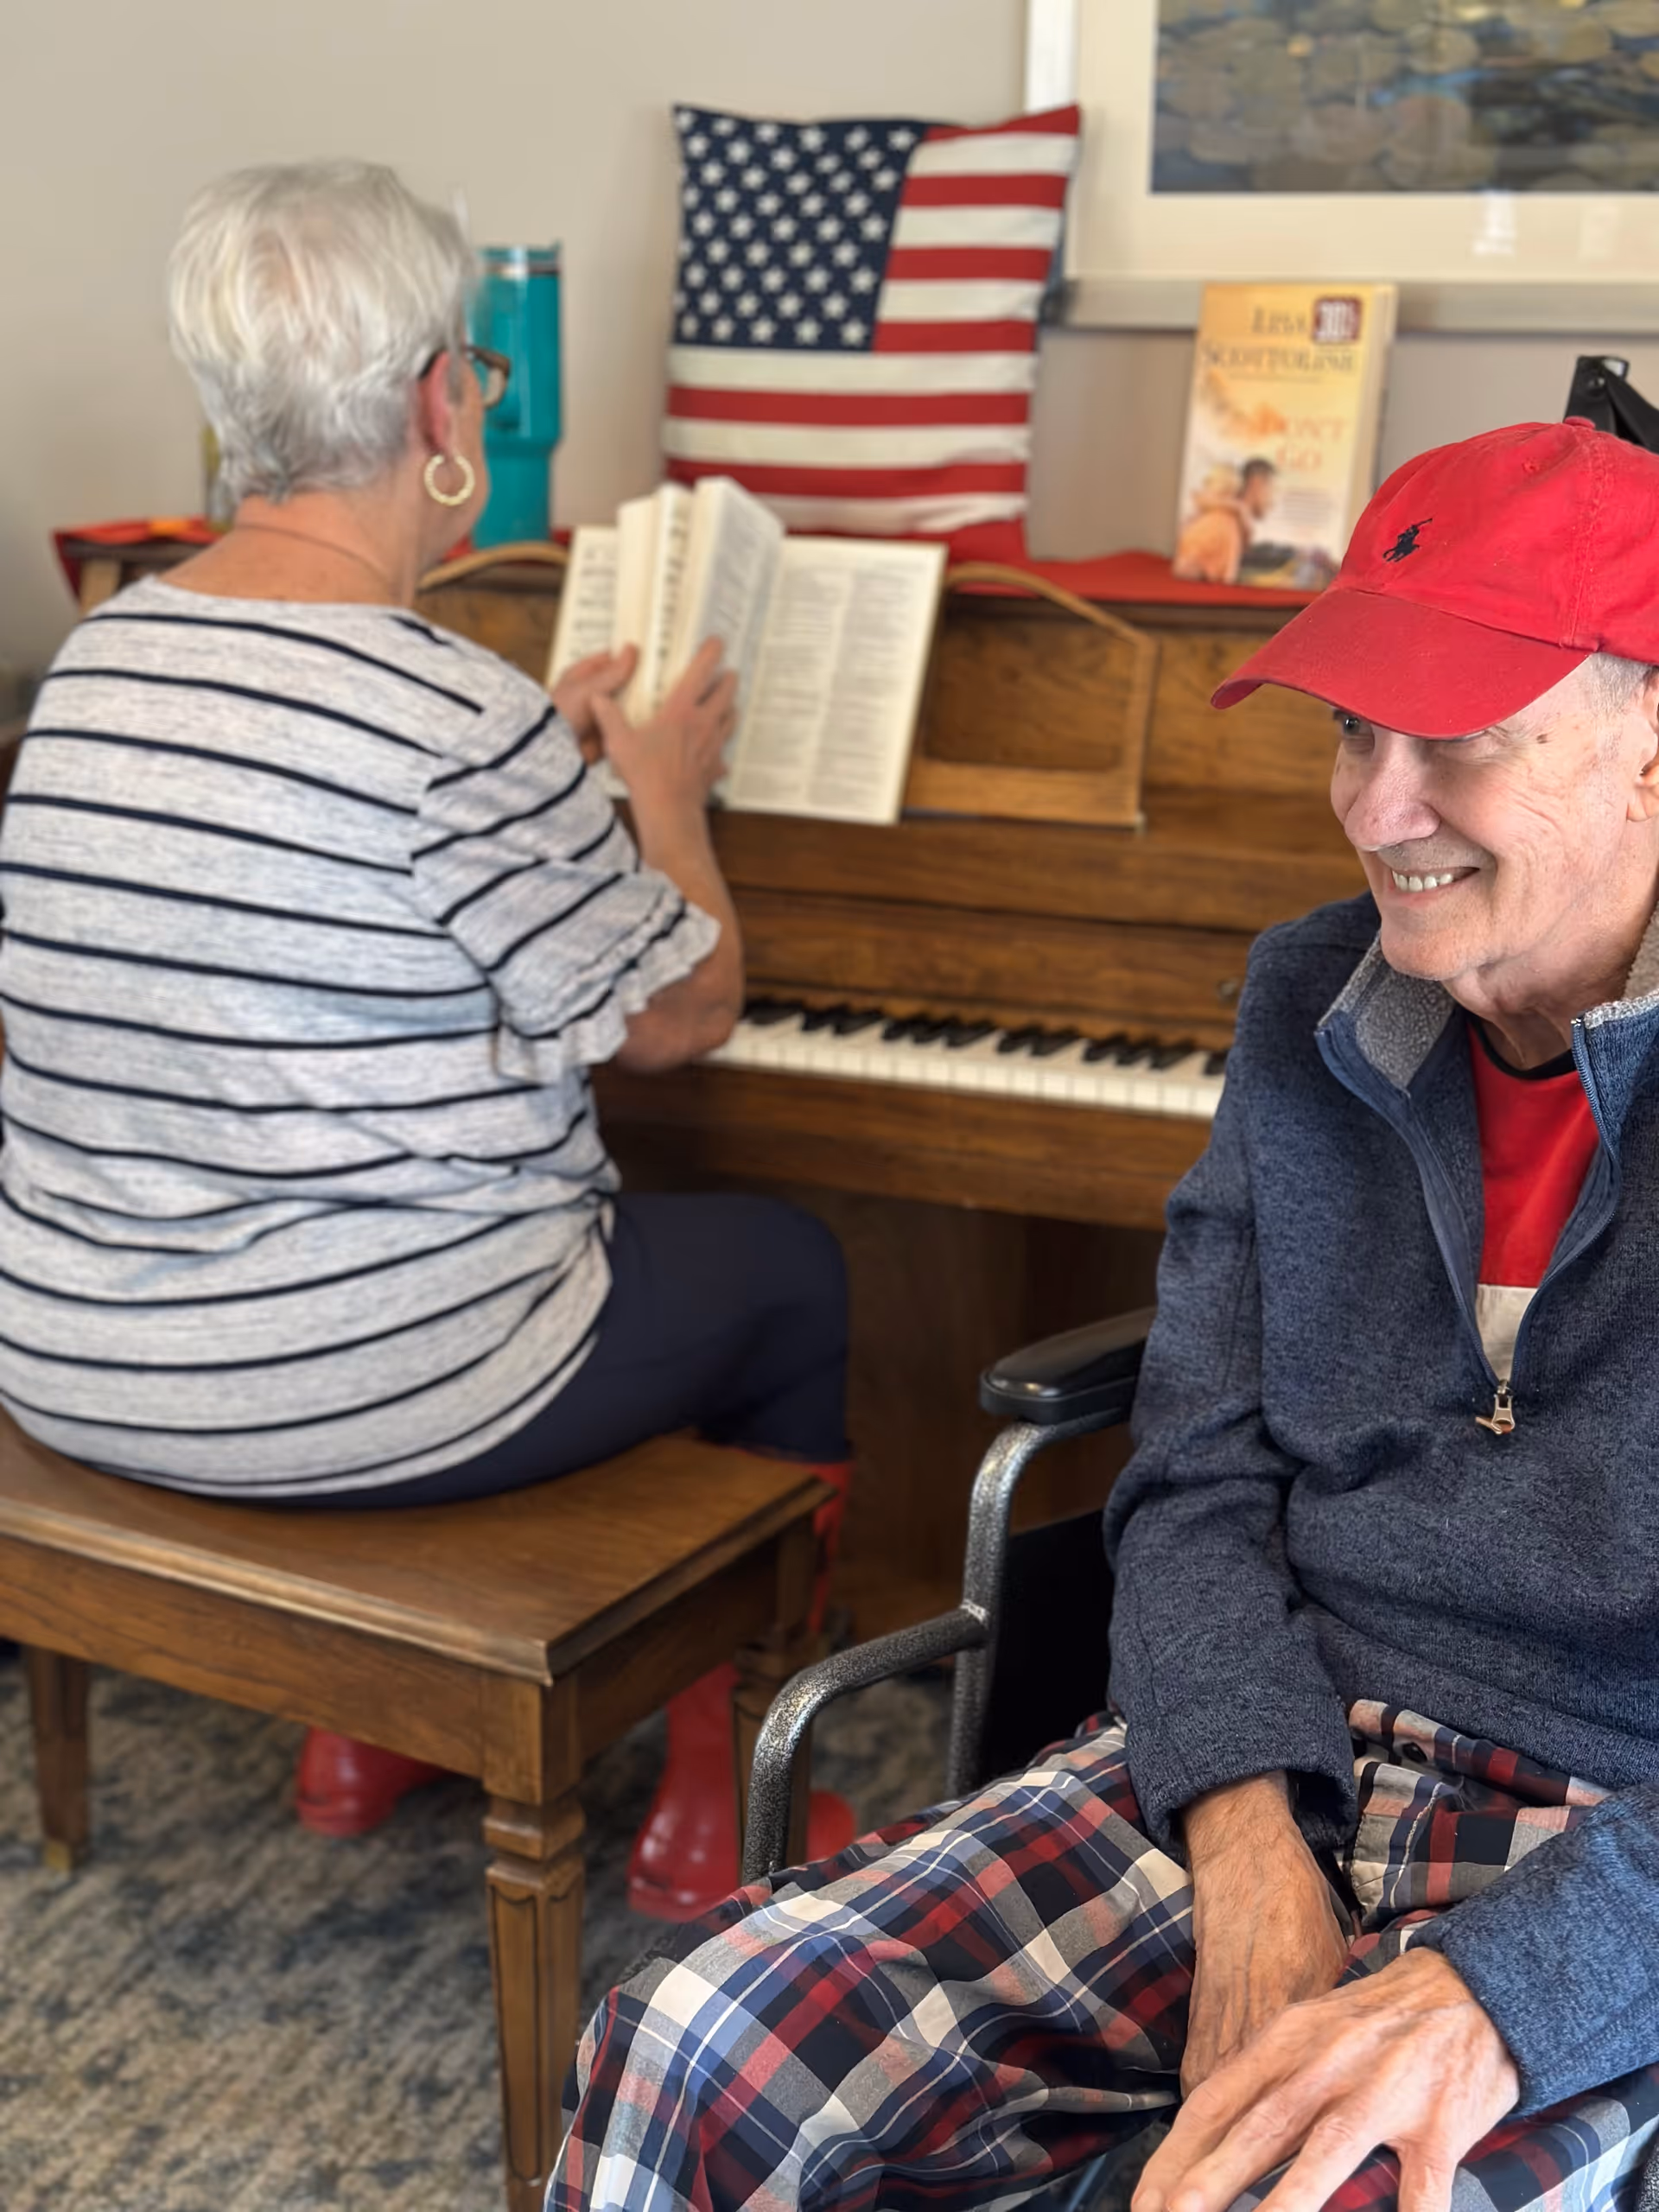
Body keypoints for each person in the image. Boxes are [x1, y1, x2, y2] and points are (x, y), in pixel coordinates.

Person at [549, 418, 1659, 2212]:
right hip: (1286, 1726)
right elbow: (1201, 1466)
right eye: (1352, 729)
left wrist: (1509, 1992)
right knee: (687, 2039)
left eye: (1454, 734)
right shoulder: (1311, 989)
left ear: (1651, 741)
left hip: (1624, 1839)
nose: (1378, 808)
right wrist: (1244, 1823)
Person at [0, 160, 855, 1910]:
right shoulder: (446, 712)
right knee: (793, 1268)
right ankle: (721, 1805)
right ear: (431, 401)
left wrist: (537, 770)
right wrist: (662, 794)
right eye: (470, 369)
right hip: (351, 1389)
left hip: (82, 1352)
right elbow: (684, 1012)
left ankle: (362, 1733)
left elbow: (291, 875)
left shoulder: (96, 657)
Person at [1173, 456, 1276, 584]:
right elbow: (1223, 585)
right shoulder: (1226, 524)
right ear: (1257, 484)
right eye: (1273, 489)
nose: (1273, 501)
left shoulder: (1228, 519)